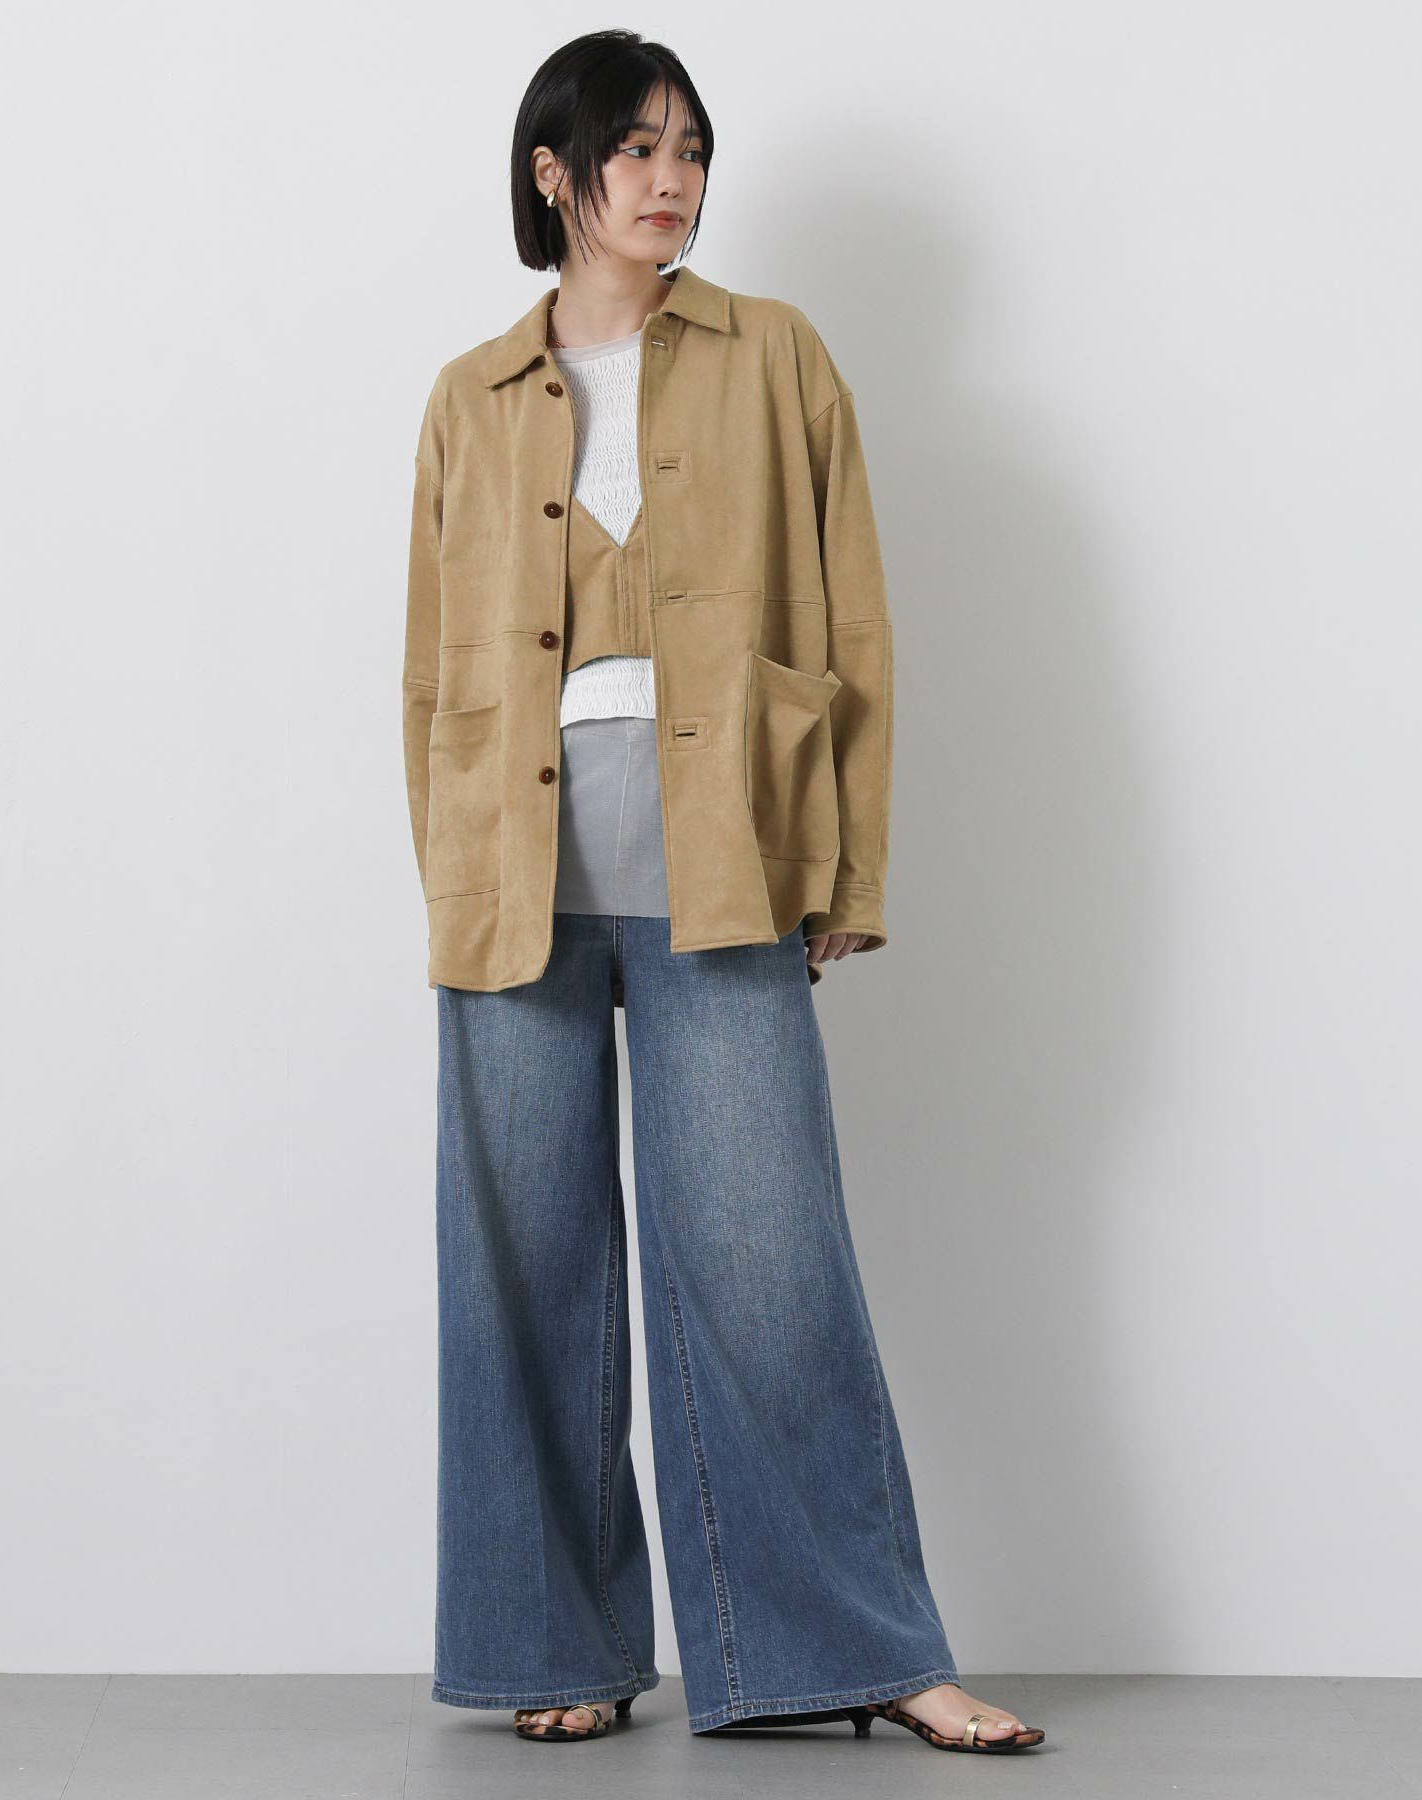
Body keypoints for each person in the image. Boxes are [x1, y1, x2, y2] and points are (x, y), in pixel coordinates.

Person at [402, 28, 1045, 1757]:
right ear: (556, 174)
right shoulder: (471, 396)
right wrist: (449, 879)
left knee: (771, 1268)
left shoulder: (777, 357)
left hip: (728, 860)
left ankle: (857, 1649)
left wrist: (848, 863)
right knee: (523, 1278)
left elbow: (854, 622)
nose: (671, 178)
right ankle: (559, 1646)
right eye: (634, 148)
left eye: (690, 147)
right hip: (514, 881)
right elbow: (430, 675)